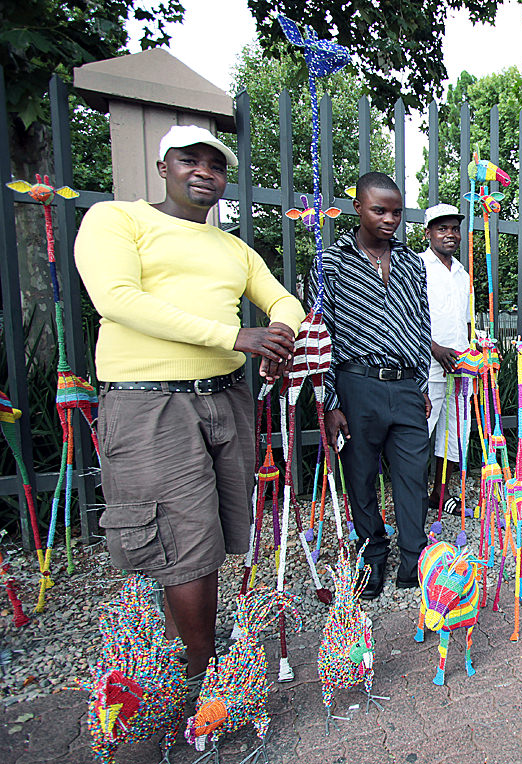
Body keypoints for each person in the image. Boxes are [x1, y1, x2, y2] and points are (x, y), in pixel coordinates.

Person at [75, 125, 305, 693]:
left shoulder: (233, 248)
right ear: (162, 167)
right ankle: (203, 680)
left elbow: (283, 299)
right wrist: (233, 337)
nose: (204, 171)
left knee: (218, 534)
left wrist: (278, 332)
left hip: (224, 398)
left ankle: (201, 653)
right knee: (183, 541)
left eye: (215, 165)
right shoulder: (117, 220)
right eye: (189, 161)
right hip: (151, 401)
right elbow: (117, 299)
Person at [310, 172, 432, 600]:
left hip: (404, 386)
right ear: (358, 207)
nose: (390, 220)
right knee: (360, 478)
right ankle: (372, 558)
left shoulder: (411, 262)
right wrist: (329, 401)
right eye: (379, 210)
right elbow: (319, 331)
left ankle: (414, 560)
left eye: (397, 212)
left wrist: (420, 384)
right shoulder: (331, 261)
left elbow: (421, 321)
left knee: (413, 475)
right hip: (356, 384)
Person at [419, 203, 473, 515]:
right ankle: (413, 497)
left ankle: (440, 493)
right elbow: (409, 318)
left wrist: (472, 349)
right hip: (429, 366)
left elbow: (465, 321)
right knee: (420, 430)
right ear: (428, 233)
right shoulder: (418, 267)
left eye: (454, 228)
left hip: (462, 366)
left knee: (455, 432)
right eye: (442, 228)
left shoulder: (462, 273)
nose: (450, 234)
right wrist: (435, 348)